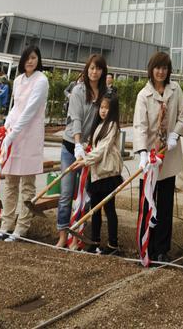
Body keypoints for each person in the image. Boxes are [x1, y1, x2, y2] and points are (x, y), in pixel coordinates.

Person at [133, 51, 183, 263]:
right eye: (157, 67)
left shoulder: (176, 90)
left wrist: (175, 133)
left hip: (169, 156)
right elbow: (140, 125)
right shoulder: (143, 95)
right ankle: (145, 246)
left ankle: (162, 249)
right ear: (151, 69)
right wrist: (142, 153)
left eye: (164, 68)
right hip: (149, 158)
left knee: (165, 204)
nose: (161, 71)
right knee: (147, 202)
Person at [0, 45, 49, 242]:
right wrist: (7, 126)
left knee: (27, 184)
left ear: (38, 59)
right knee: (10, 183)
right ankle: (6, 223)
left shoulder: (41, 80)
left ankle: (21, 227)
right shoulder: (17, 80)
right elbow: (16, 107)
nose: (30, 61)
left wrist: (13, 132)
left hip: (30, 135)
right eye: (27, 58)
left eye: (33, 58)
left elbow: (30, 110)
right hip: (14, 135)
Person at [55, 53, 108, 248]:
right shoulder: (78, 90)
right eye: (91, 68)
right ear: (87, 69)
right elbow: (76, 118)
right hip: (71, 146)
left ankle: (76, 236)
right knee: (67, 193)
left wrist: (91, 146)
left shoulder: (105, 93)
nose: (94, 72)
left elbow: (106, 119)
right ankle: (62, 235)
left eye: (98, 68)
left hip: (90, 150)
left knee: (84, 195)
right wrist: (77, 144)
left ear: (103, 71)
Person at [83, 92, 123, 254]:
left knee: (109, 209)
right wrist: (83, 153)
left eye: (107, 108)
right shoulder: (98, 125)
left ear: (112, 110)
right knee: (95, 209)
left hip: (107, 173)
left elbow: (101, 149)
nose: (103, 110)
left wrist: (85, 160)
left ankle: (113, 244)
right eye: (101, 107)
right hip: (96, 173)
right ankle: (95, 241)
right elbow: (92, 145)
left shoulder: (112, 126)